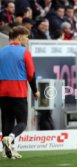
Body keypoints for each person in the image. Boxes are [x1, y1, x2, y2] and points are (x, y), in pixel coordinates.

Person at [0, 26, 39, 159]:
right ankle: (10, 139)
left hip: (3, 91)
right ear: (20, 36)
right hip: (18, 91)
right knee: (22, 121)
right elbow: (31, 74)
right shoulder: (24, 52)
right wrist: (35, 90)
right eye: (26, 36)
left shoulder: (1, 51)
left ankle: (7, 151)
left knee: (7, 120)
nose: (27, 39)